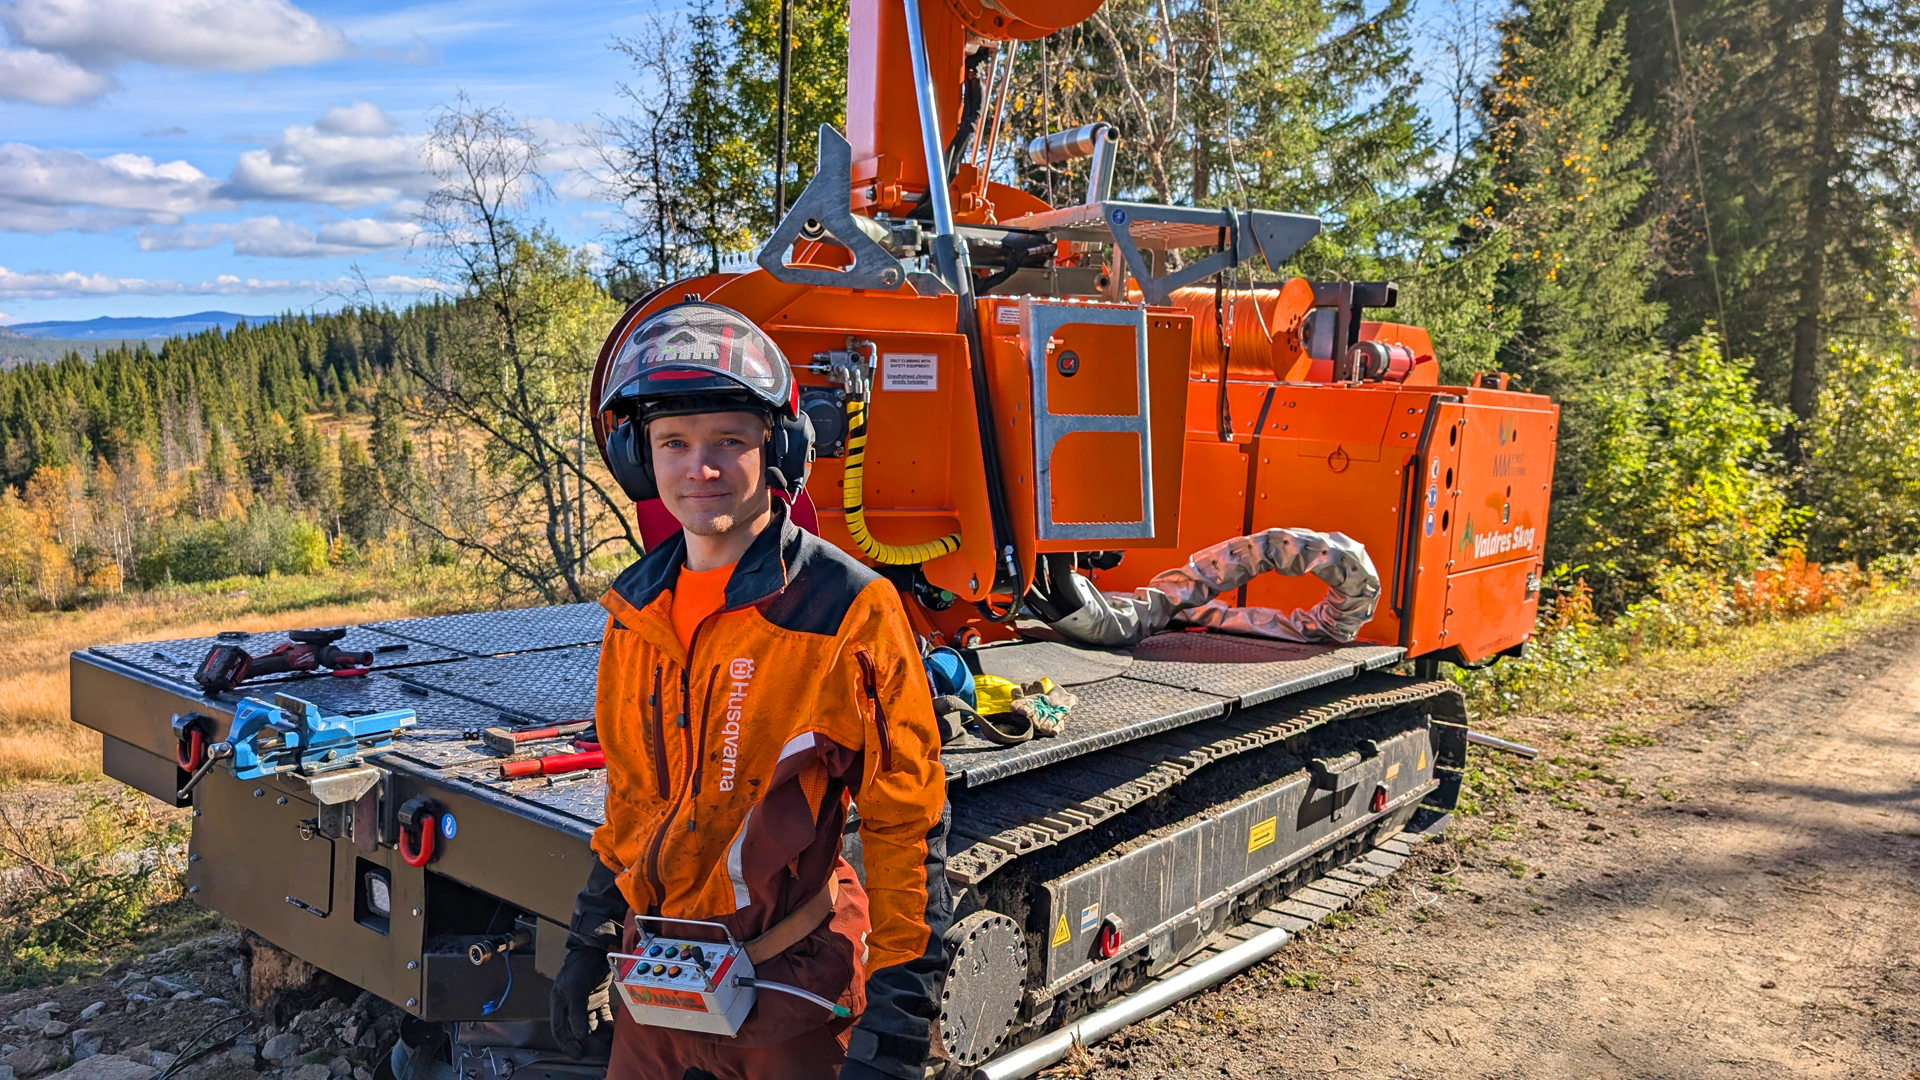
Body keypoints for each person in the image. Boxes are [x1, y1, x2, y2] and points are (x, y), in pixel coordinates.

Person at [549, 301, 951, 1080]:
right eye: (674, 443)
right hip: (655, 994)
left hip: (787, 992)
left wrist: (900, 1020)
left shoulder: (844, 608)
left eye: (728, 441)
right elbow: (634, 801)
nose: (700, 468)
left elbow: (909, 821)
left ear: (777, 449)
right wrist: (589, 938)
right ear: (640, 459)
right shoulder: (635, 612)